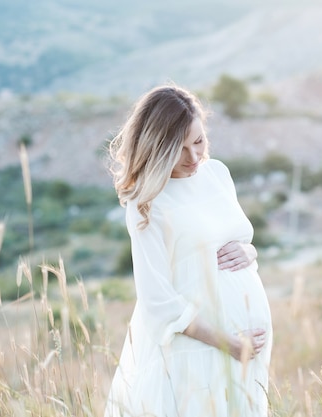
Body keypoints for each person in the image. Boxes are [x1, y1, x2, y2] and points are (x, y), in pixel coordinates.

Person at [104, 85, 272, 417]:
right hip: (196, 351)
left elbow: (228, 240)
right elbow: (157, 302)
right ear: (156, 148)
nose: (194, 158)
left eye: (198, 142)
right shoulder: (146, 202)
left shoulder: (218, 174)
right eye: (178, 150)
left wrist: (249, 252)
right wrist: (230, 344)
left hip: (246, 353)